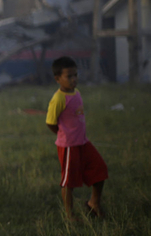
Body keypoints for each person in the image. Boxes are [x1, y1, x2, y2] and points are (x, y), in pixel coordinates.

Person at [45, 56, 108, 220]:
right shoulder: (58, 99)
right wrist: (64, 135)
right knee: (69, 182)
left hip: (83, 143)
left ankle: (94, 203)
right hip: (69, 146)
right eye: (69, 76)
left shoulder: (77, 92)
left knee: (100, 169)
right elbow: (50, 122)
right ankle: (69, 215)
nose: (74, 79)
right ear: (58, 79)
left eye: (75, 75)